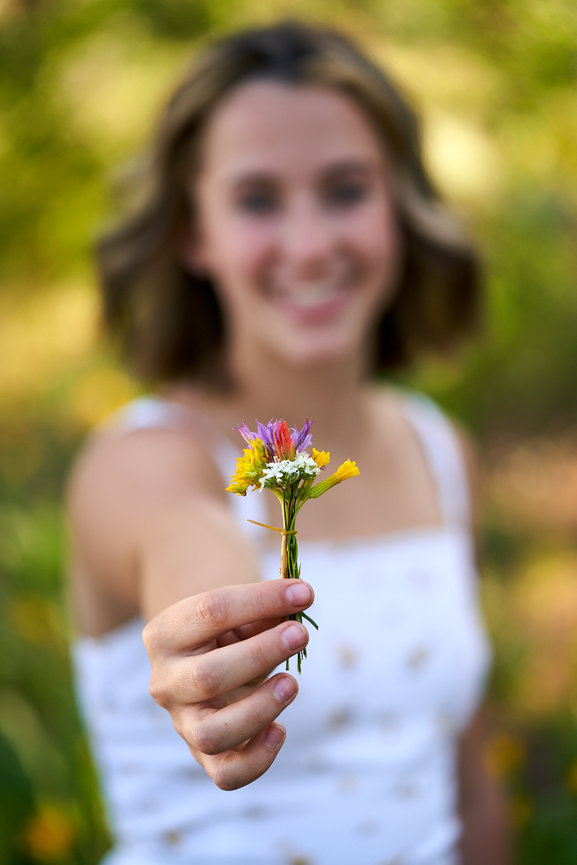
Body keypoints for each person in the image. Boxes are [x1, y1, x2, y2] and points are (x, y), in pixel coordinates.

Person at [67, 19, 511, 865]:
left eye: (345, 189)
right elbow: (181, 545)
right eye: (257, 199)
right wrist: (213, 650)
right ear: (193, 232)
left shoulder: (439, 449)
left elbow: (464, 770)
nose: (310, 245)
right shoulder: (137, 461)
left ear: (397, 207)